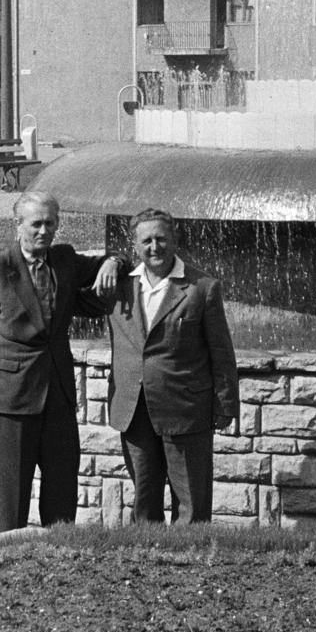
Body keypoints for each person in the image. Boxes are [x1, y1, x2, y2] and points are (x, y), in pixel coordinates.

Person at [0, 191, 119, 532]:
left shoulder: (65, 260)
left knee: (62, 490)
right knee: (11, 497)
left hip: (57, 395)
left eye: (50, 223)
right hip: (9, 399)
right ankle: (7, 556)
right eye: (36, 224)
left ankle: (58, 552)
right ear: (18, 225)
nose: (44, 231)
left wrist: (113, 262)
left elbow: (114, 262)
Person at [97, 208, 238, 523]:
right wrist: (112, 260)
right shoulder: (118, 286)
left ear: (175, 239)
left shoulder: (202, 287)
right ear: (135, 246)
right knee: (144, 501)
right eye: (146, 241)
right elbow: (75, 276)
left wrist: (226, 404)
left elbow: (221, 352)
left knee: (191, 503)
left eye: (161, 238)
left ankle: (192, 551)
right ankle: (147, 551)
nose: (154, 247)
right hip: (133, 408)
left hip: (185, 409)